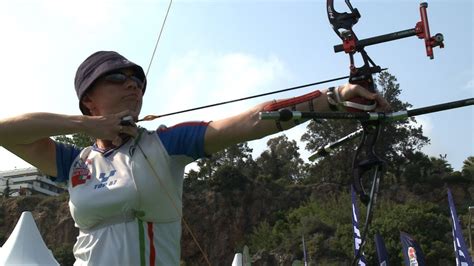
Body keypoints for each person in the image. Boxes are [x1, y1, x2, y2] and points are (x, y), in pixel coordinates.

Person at [0, 51, 389, 265]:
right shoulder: (74, 162)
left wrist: (332, 98)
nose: (133, 84)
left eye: (137, 80)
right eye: (117, 78)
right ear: (88, 98)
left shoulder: (166, 144)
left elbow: (251, 121)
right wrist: (85, 125)